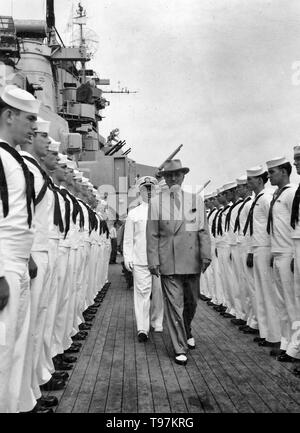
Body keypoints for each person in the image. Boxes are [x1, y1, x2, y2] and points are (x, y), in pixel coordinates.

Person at [146, 159, 211, 366]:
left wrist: (206, 255)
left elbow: (202, 230)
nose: (173, 178)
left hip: (191, 260)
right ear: (164, 178)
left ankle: (187, 328)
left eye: (177, 174)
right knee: (174, 305)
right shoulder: (156, 203)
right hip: (169, 261)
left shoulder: (195, 201)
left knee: (191, 303)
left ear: (183, 177)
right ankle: (179, 347)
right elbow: (152, 234)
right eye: (169, 175)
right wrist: (153, 260)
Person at [0, 84, 39, 412]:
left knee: (15, 349)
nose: (33, 126)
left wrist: (25, 259)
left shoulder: (13, 159)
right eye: (29, 119)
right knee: (2, 351)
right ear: (8, 115)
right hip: (4, 266)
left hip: (17, 263)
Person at [123, 176, 164, 342]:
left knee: (159, 293)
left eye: (151, 188)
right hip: (140, 259)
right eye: (145, 189)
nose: (148, 191)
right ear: (139, 191)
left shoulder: (162, 212)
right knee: (142, 293)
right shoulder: (133, 213)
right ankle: (142, 327)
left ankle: (157, 321)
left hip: (160, 260)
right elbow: (128, 239)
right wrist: (128, 257)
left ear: (156, 191)